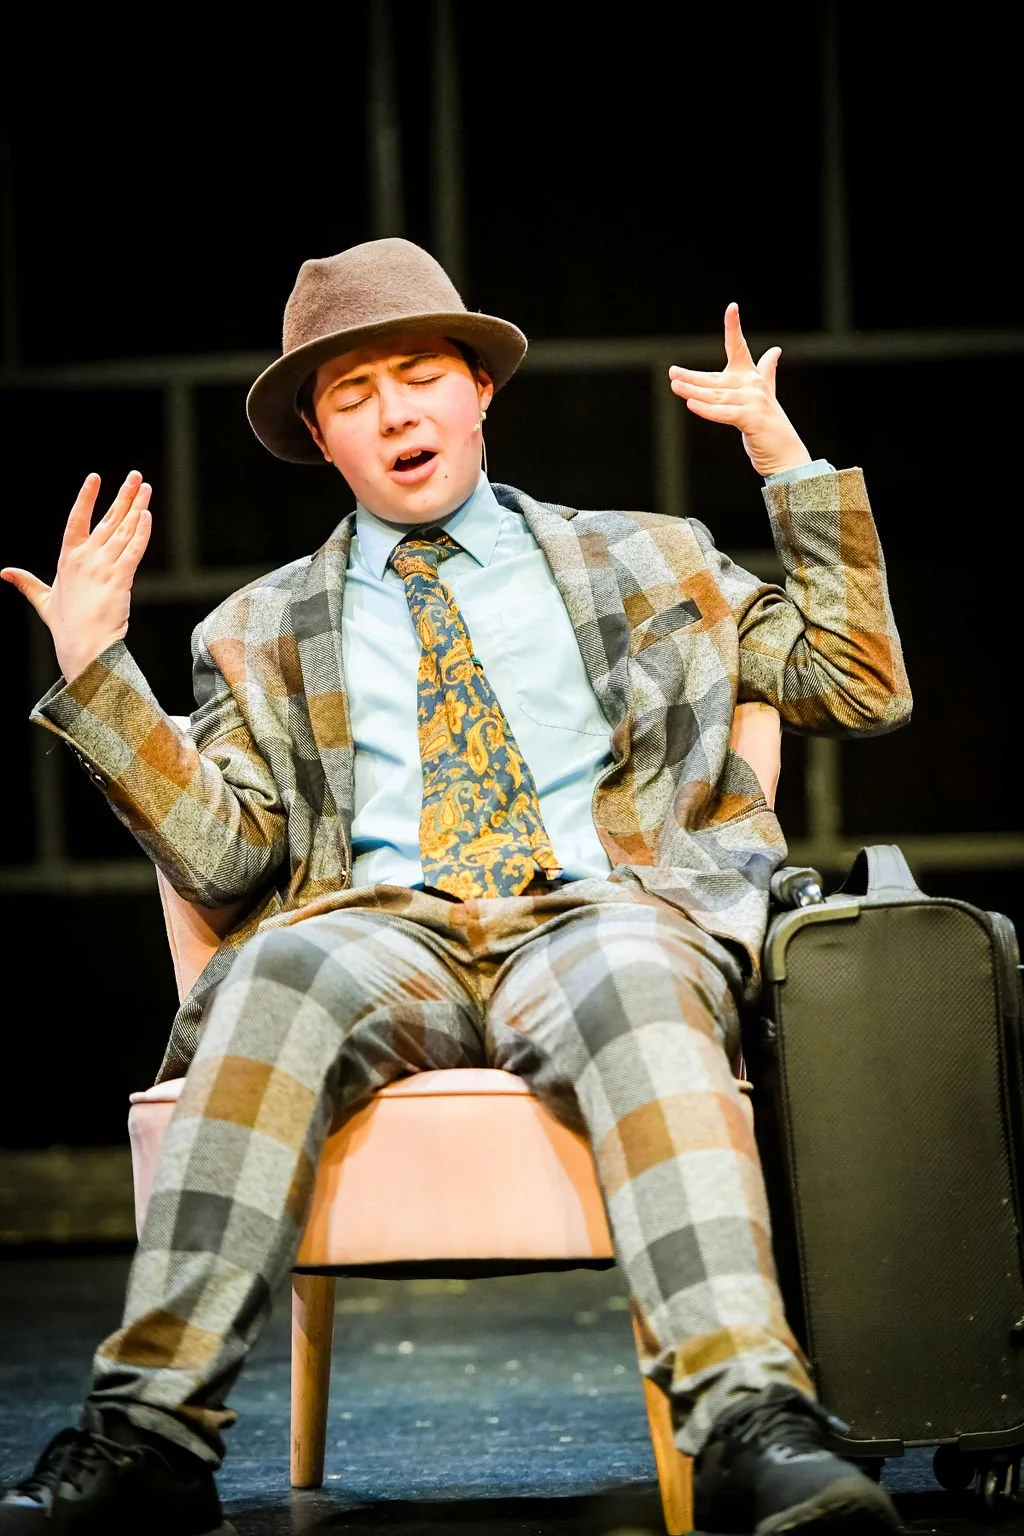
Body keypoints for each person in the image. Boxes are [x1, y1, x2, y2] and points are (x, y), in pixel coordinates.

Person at [0, 236, 911, 1535]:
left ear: (479, 389)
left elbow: (860, 684)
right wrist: (98, 669)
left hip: (603, 909)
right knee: (276, 970)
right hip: (385, 929)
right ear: (321, 437)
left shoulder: (650, 558)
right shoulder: (255, 630)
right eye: (353, 395)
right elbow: (224, 859)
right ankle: (146, 1436)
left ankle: (750, 1420)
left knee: (637, 980)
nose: (394, 414)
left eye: (420, 375)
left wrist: (785, 460)